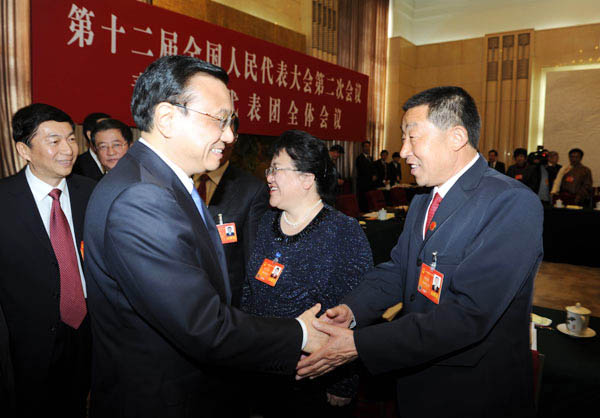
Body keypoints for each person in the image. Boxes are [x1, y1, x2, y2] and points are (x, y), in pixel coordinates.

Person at [83, 55, 325, 418]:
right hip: (164, 399)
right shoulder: (142, 197)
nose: (228, 136)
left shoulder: (156, 181)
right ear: (167, 118)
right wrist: (300, 333)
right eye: (219, 120)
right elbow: (203, 325)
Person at [297, 86, 544, 418]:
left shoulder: (510, 203)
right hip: (416, 381)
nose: (403, 152)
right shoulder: (423, 201)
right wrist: (352, 310)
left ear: (456, 137)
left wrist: (360, 344)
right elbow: (399, 269)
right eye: (403, 139)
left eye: (412, 138)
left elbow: (468, 315)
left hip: (473, 393)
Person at [242, 130, 373, 418]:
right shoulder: (266, 223)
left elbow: (355, 314)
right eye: (269, 169)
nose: (269, 177)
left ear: (306, 179)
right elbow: (250, 290)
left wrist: (344, 382)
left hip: (313, 376)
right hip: (261, 367)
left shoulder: (344, 232)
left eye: (277, 169)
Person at [0, 103, 96, 418]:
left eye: (71, 139)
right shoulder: (4, 200)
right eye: (54, 141)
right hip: (26, 344)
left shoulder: (92, 193)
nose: (68, 150)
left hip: (88, 333)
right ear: (23, 150)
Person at [194, 116, 269, 307]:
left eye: (227, 133)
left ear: (234, 139)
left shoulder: (251, 190)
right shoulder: (179, 178)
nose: (221, 139)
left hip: (226, 302)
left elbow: (252, 257)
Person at [72, 112, 110, 181]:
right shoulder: (75, 165)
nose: (110, 135)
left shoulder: (122, 162)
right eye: (104, 130)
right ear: (90, 135)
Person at [355, 140, 375, 211]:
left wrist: (374, 175)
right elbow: (362, 170)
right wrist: (371, 176)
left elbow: (373, 168)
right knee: (363, 201)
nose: (367, 148)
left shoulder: (371, 158)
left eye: (368, 146)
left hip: (370, 183)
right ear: (363, 148)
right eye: (366, 146)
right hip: (363, 183)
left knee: (369, 201)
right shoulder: (359, 158)